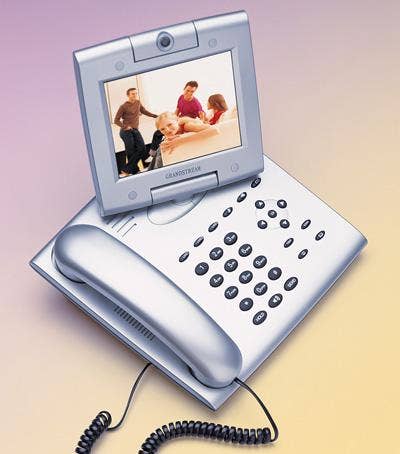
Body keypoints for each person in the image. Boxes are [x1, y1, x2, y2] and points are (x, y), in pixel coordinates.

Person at [150, 112, 219, 168]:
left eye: (169, 124)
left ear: (177, 121)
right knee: (160, 150)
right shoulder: (172, 131)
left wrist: (180, 141)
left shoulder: (187, 125)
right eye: (162, 129)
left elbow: (214, 130)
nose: (167, 130)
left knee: (159, 153)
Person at [114, 88, 157, 177]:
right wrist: (125, 127)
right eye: (133, 94)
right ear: (128, 95)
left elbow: (144, 111)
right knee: (130, 151)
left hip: (135, 130)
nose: (135, 95)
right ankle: (134, 171)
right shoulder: (123, 106)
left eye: (136, 93)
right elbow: (116, 120)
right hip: (126, 131)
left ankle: (126, 169)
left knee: (142, 148)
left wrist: (154, 116)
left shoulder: (138, 102)